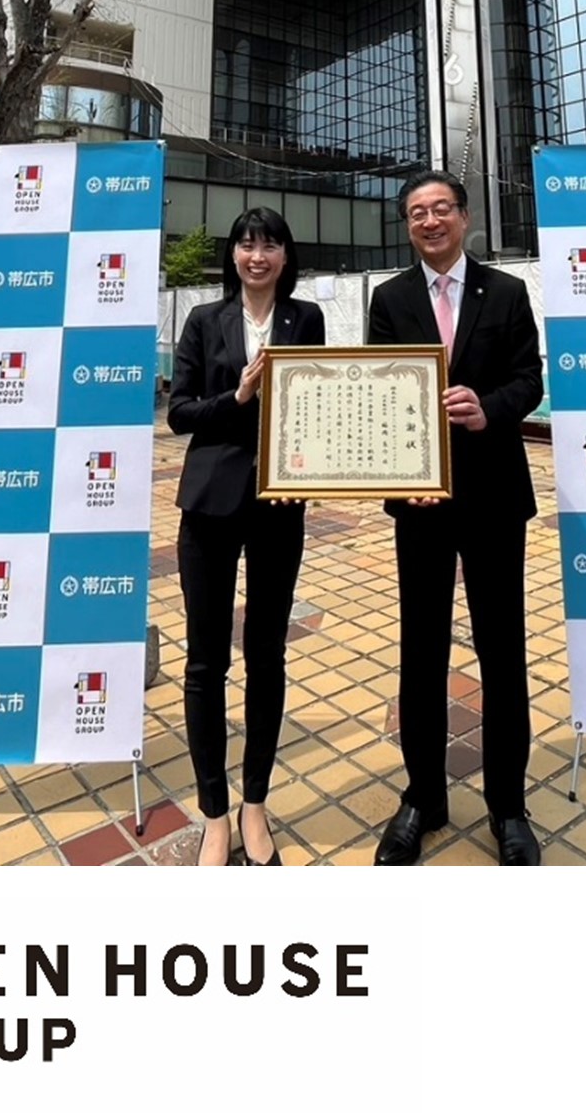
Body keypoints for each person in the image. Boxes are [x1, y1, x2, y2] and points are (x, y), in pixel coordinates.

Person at [366, 169, 545, 865]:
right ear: (407, 225)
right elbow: (379, 395)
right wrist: (398, 472)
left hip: (494, 494)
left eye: (441, 208)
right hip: (420, 502)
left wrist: (488, 408)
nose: (430, 220)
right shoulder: (390, 299)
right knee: (422, 652)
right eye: (417, 212)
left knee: (502, 651)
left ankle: (509, 806)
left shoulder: (506, 291)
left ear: (464, 217)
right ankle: (423, 798)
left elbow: (528, 380)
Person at [167, 206, 326, 866]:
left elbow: (315, 405)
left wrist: (316, 470)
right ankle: (214, 813)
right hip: (209, 503)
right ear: (232, 255)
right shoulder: (204, 320)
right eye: (246, 244)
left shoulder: (306, 320)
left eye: (270, 245)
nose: (257, 255)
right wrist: (236, 397)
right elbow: (179, 413)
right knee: (206, 662)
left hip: (278, 503)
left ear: (286, 257)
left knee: (267, 655)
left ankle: (254, 803)